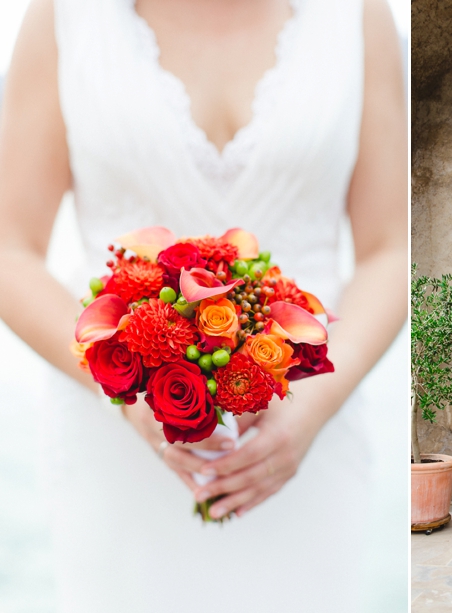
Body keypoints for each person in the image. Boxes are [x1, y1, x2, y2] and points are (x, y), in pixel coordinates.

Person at [0, 0, 407, 611]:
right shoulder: (65, 16)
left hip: (306, 432)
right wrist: (126, 396)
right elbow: (10, 247)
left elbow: (392, 248)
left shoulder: (356, 17)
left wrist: (310, 411)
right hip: (115, 448)